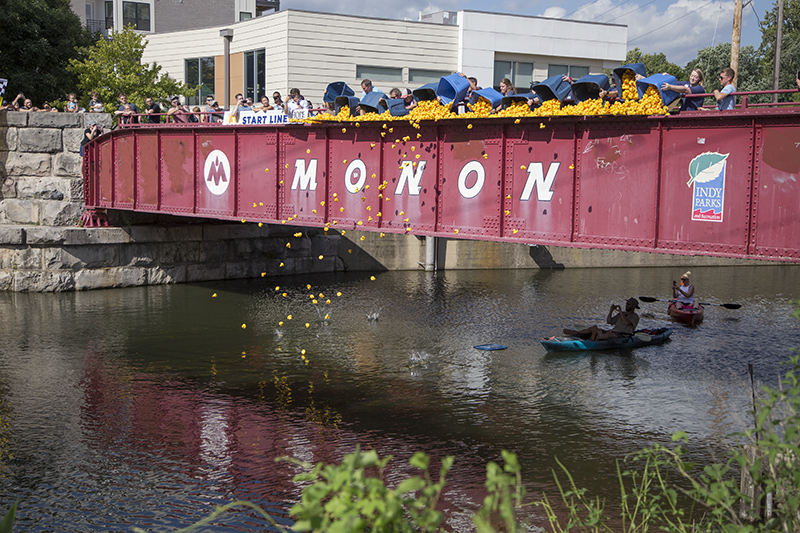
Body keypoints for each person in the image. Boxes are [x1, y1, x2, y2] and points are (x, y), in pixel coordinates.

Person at [563, 297, 641, 341]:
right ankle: (577, 333)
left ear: (634, 306)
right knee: (594, 329)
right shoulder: (622, 314)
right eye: (627, 304)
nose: (626, 305)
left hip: (623, 335)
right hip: (614, 332)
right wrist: (611, 311)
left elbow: (627, 323)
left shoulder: (635, 316)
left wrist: (620, 312)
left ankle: (595, 338)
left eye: (629, 304)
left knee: (608, 334)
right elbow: (609, 321)